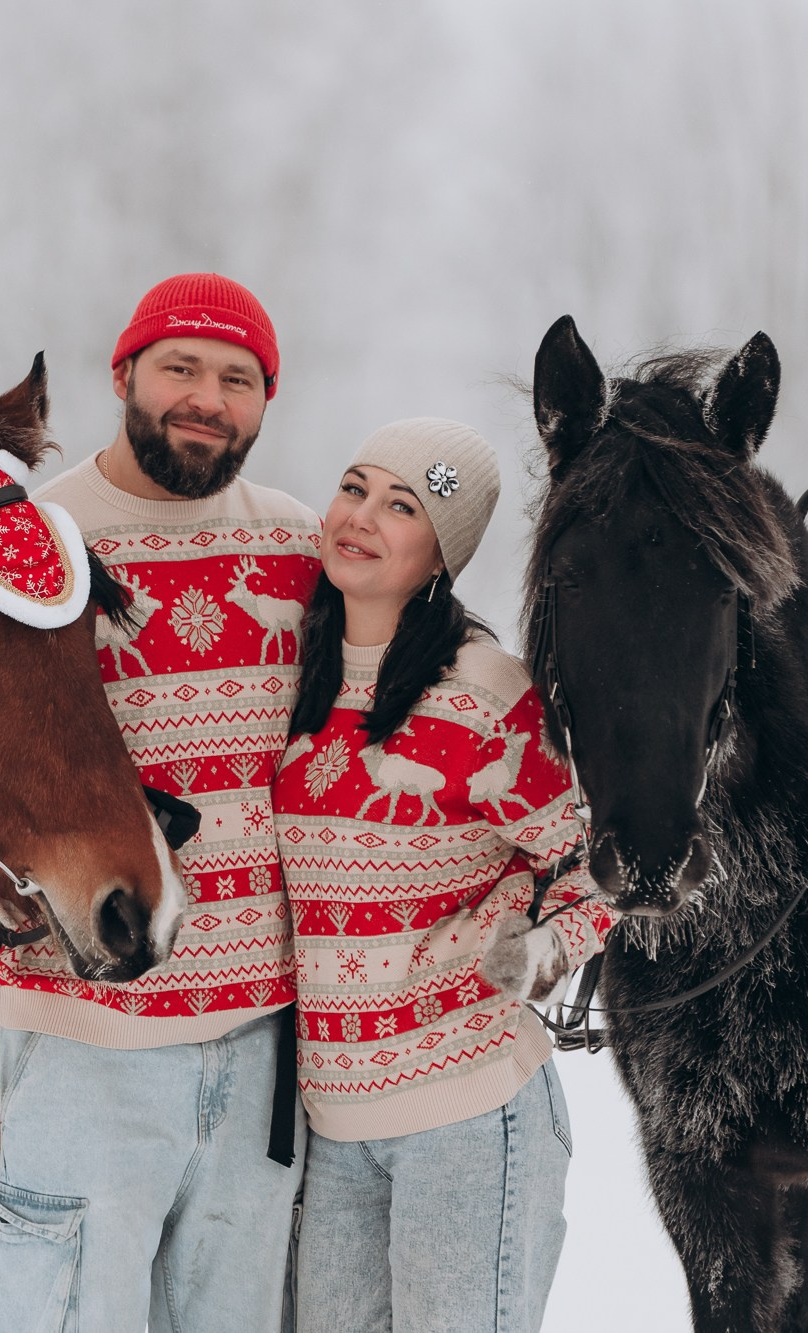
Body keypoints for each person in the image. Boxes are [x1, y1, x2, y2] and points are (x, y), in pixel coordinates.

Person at [0, 274, 322, 1332]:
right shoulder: (32, 541)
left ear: (265, 400)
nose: (205, 397)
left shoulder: (301, 549)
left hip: (262, 1042)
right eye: (179, 367)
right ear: (121, 374)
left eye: (236, 377)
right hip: (85, 1040)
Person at [275, 419, 618, 1333]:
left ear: (442, 553)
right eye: (354, 488)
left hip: (466, 1113)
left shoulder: (485, 691)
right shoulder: (297, 681)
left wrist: (520, 955)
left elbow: (596, 867)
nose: (362, 518)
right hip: (333, 1120)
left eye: (403, 506)